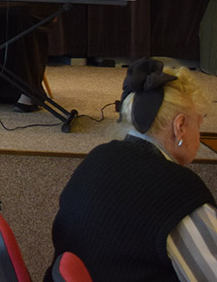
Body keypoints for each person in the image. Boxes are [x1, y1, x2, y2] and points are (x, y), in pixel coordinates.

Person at [46, 59, 216, 282]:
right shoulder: (178, 189)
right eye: (198, 125)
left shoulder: (99, 157)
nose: (199, 137)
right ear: (180, 126)